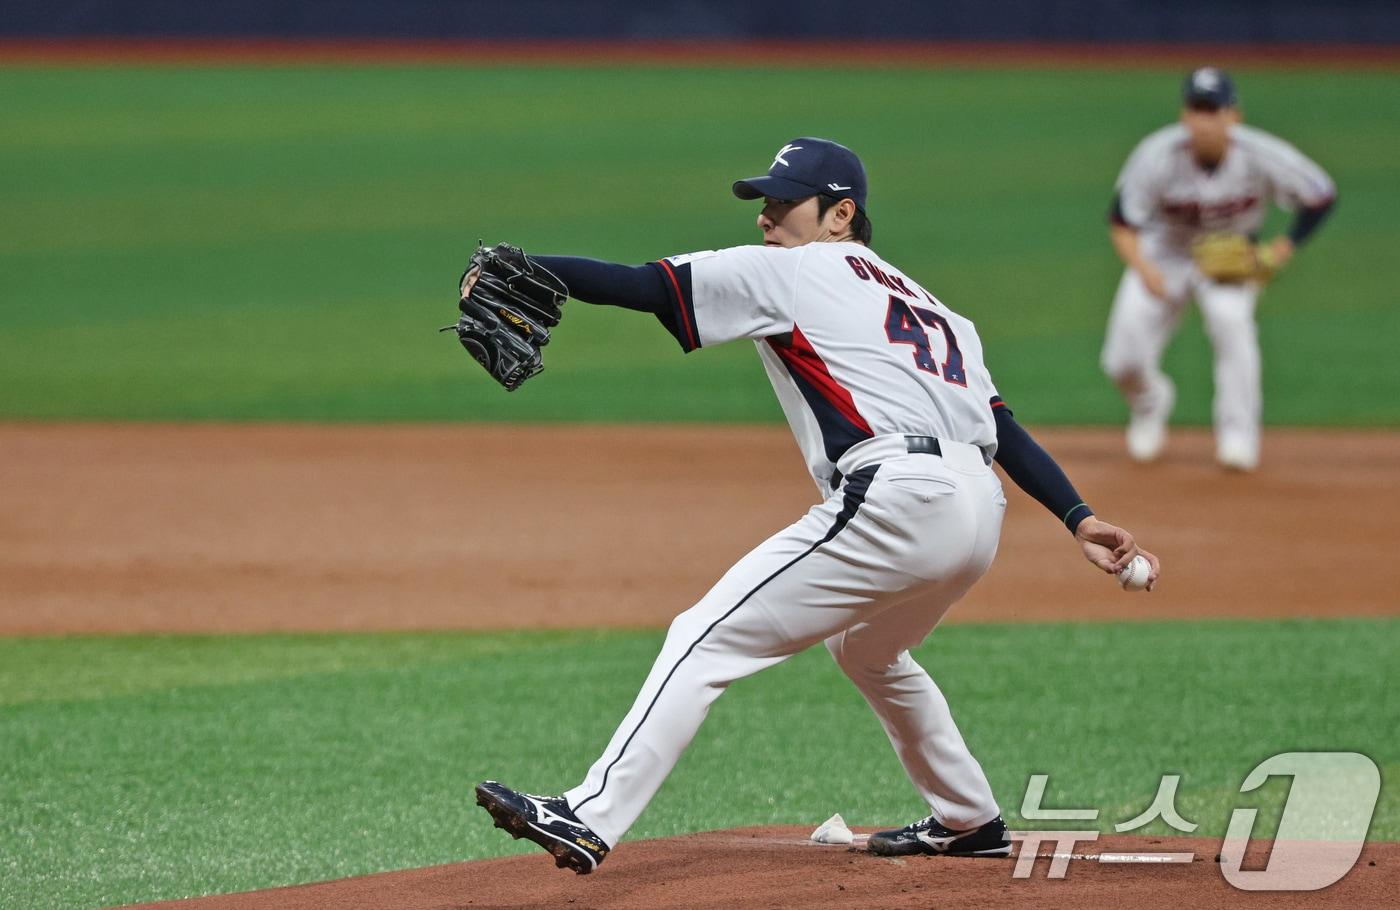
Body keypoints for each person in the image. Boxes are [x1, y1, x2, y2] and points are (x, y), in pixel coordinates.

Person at [474, 137, 1161, 874]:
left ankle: (588, 814)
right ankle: (968, 819)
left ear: (841, 215)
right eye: (764, 204)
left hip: (898, 497)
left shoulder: (792, 271)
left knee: (703, 636)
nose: (767, 219)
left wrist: (534, 270)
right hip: (976, 511)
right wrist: (1078, 516)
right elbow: (1004, 428)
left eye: (783, 203)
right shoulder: (938, 310)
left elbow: (645, 285)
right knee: (868, 648)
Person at [1101, 67, 1336, 471]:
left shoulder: (1262, 154)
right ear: (1184, 115)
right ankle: (1150, 401)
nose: (1204, 120)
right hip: (1163, 253)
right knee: (1121, 360)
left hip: (1229, 260)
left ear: (1233, 115)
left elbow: (1320, 195)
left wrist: (1281, 249)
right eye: (1197, 108)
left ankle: (1238, 437)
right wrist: (1143, 268)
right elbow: (1122, 221)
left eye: (1213, 109)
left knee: (1232, 325)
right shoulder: (1156, 155)